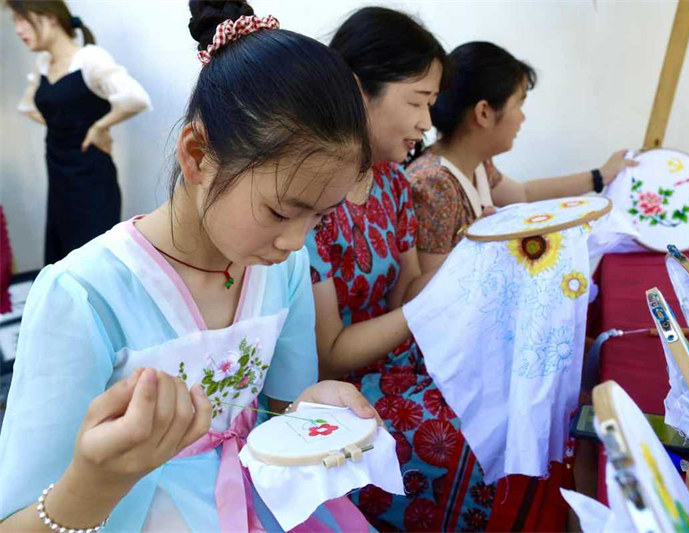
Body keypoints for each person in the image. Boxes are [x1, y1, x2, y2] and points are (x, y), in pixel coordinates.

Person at [0, 1, 379, 531]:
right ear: (197, 155)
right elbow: (16, 520)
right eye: (280, 211)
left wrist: (311, 410)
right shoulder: (84, 294)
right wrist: (95, 479)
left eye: (319, 218)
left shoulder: (282, 270)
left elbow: (278, 411)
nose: (296, 241)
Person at [307, 9, 571, 532]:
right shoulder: (313, 197)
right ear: (360, 90)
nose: (427, 123)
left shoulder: (392, 185)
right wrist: (436, 299)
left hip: (402, 360)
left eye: (431, 103)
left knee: (521, 390)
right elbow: (330, 356)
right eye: (417, 102)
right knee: (474, 434)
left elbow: (407, 288)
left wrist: (479, 250)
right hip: (344, 388)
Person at [406, 41, 637, 273]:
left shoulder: (477, 163)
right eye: (518, 104)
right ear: (484, 112)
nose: (522, 118)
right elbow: (427, 293)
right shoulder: (434, 183)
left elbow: (524, 195)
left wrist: (601, 176)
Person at [11, 0, 152, 265]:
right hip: (58, 172)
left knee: (92, 257)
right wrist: (63, 125)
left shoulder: (89, 58)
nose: (18, 30)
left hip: (90, 176)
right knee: (61, 256)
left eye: (22, 20)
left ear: (50, 17)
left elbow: (136, 98)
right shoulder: (43, 63)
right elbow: (28, 106)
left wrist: (99, 126)